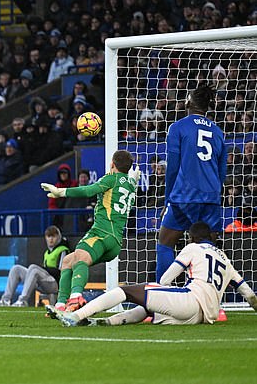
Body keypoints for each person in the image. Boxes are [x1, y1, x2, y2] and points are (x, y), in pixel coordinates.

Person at [48, 222, 257, 327]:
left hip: (190, 301)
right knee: (148, 309)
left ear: (192, 238)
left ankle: (75, 316)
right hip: (204, 316)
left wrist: (160, 288)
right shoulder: (225, 259)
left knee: (127, 291)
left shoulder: (193, 248)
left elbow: (166, 278)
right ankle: (101, 322)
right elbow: (249, 295)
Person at [41, 150, 140, 311]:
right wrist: (133, 181)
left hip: (102, 233)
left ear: (112, 164)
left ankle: (75, 297)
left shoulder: (111, 179)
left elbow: (88, 191)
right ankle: (60, 304)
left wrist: (61, 192)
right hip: (114, 242)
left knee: (80, 255)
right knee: (67, 261)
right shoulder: (130, 185)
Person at [156, 85, 226, 284]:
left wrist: (168, 198)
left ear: (190, 102)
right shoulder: (218, 131)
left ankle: (162, 295)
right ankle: (212, 299)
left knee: (165, 243)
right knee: (209, 250)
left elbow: (172, 167)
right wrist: (213, 193)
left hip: (184, 196)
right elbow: (222, 172)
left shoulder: (178, 127)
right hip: (211, 198)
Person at [0, 226, 68, 307]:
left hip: (55, 284)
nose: (51, 239)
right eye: (49, 236)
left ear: (58, 237)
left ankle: (23, 300)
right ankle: (5, 300)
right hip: (45, 282)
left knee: (33, 268)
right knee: (16, 269)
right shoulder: (47, 253)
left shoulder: (63, 250)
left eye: (53, 236)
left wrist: (43, 269)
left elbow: (61, 272)